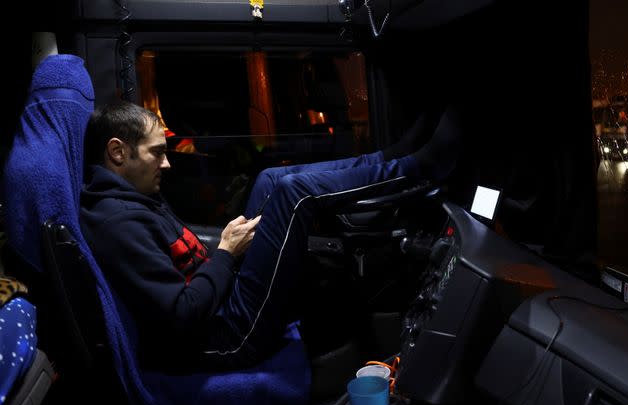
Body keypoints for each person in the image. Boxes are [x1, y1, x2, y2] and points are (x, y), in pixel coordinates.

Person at [80, 101, 461, 371]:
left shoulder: (134, 197)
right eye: (157, 152)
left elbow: (184, 255)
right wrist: (226, 254)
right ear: (117, 153)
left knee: (270, 179)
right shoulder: (118, 223)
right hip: (226, 337)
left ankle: (389, 157)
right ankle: (418, 167)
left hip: (220, 302)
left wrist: (225, 251)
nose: (167, 162)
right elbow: (182, 314)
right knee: (294, 195)